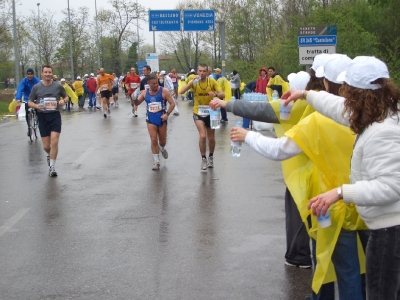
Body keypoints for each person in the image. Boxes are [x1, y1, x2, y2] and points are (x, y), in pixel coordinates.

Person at [283, 56, 400, 300]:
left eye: (349, 93)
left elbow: (391, 187)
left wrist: (340, 192)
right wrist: (305, 95)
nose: (345, 99)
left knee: (381, 293)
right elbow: (336, 108)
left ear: (361, 94)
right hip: (384, 226)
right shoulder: (377, 113)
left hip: (391, 231)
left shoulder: (384, 131)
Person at [179, 63, 225, 170]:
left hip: (212, 112)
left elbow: (223, 95)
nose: (202, 73)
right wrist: (191, 83)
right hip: (198, 111)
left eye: (204, 71)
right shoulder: (194, 81)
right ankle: (203, 159)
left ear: (208, 72)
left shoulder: (212, 81)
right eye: (200, 71)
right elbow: (181, 91)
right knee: (203, 136)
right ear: (197, 71)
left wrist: (216, 95)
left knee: (211, 138)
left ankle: (211, 157)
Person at [28, 65, 68, 177]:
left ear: (52, 73)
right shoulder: (36, 87)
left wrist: (63, 101)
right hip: (43, 117)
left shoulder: (58, 86)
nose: (47, 74)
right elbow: (29, 102)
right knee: (46, 146)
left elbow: (66, 97)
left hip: (55, 116)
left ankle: (52, 167)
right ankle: (49, 155)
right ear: (42, 73)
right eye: (45, 72)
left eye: (49, 72)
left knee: (54, 141)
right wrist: (36, 106)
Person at [135, 73, 175, 170]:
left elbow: (172, 104)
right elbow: (137, 103)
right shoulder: (145, 93)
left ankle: (162, 148)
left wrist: (167, 114)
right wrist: (134, 97)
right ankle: (156, 162)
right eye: (153, 84)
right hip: (151, 120)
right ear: (148, 84)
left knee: (162, 141)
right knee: (153, 139)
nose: (156, 85)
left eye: (156, 83)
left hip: (161, 119)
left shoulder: (164, 91)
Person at [15, 68, 41, 135]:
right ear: (27, 75)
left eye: (31, 74)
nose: (30, 76)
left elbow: (41, 89)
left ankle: (38, 122)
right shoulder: (24, 81)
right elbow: (20, 89)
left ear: (33, 74)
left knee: (38, 111)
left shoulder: (36, 80)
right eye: (28, 74)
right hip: (28, 99)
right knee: (27, 113)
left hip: (35, 98)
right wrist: (18, 98)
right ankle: (29, 128)